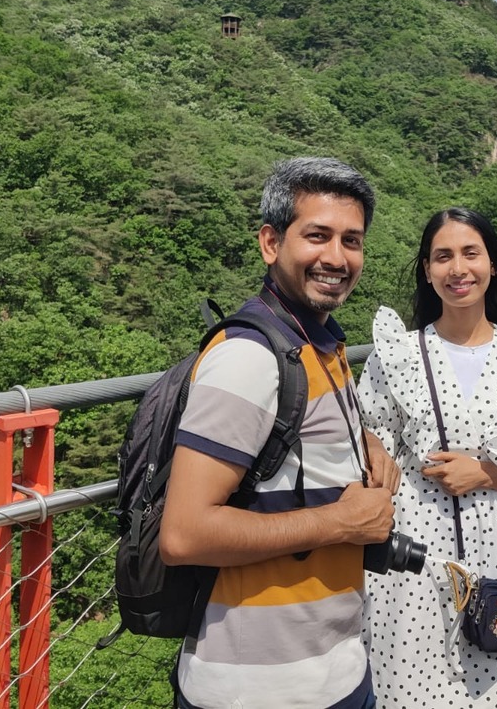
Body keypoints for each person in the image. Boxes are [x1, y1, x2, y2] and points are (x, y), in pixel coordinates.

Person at [160, 156, 401, 709]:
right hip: (259, 688)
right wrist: (340, 521)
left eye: (352, 240)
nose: (337, 257)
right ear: (271, 243)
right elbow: (185, 534)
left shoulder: (319, 345)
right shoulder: (248, 357)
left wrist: (360, 442)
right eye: (317, 235)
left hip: (335, 668)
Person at [358, 207, 497, 708]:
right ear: (426, 270)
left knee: (490, 691)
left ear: (492, 265)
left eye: (470, 254)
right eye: (443, 257)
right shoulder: (398, 353)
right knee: (404, 689)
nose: (457, 269)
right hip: (412, 558)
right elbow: (371, 445)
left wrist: (487, 473)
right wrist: (374, 452)